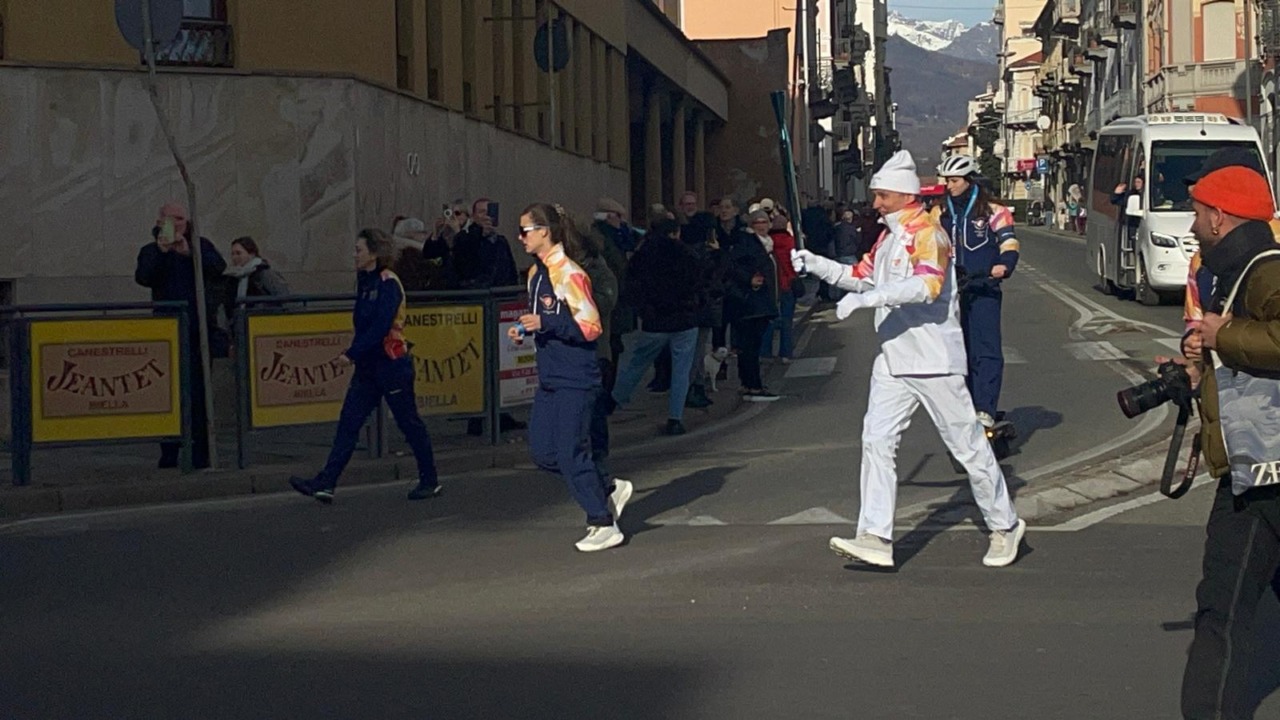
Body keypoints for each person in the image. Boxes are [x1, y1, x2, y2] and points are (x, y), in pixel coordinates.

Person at [791, 149, 1024, 569]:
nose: (875, 203)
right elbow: (858, 277)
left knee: (968, 448)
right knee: (877, 441)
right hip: (893, 358)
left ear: (902, 195)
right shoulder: (887, 237)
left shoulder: (929, 233)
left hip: (933, 358)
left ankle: (1004, 525)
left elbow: (927, 287)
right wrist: (817, 266)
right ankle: (876, 536)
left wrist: (875, 299)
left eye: (881, 195)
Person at [1175, 165, 1280, 720]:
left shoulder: (1265, 270)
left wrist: (1222, 336)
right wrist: (1198, 368)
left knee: (1224, 614)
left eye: (1197, 213)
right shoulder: (1239, 273)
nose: (1192, 225)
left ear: (1219, 216)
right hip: (1254, 469)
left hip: (1265, 470)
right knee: (1224, 611)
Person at [511, 203, 632, 552]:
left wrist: (546, 324)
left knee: (570, 452)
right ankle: (606, 487)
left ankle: (602, 522)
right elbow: (543, 318)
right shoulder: (536, 275)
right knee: (544, 453)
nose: (521, 238)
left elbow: (591, 326)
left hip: (576, 376)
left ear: (544, 232)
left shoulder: (570, 273)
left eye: (525, 231)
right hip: (550, 375)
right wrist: (525, 327)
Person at [289, 229, 441, 504]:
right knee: (349, 423)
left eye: (358, 249)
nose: (354, 254)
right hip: (369, 368)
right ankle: (326, 482)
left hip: (391, 364)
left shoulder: (388, 283)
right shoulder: (366, 281)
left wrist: (352, 354)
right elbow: (362, 325)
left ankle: (430, 480)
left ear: (373, 253)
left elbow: (381, 326)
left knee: (409, 424)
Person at [134, 202, 227, 469]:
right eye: (171, 219)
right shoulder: (151, 250)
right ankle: (169, 450)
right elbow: (144, 277)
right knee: (169, 394)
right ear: (159, 221)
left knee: (199, 392)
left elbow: (218, 268)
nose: (177, 224)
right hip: (167, 333)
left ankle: (201, 451)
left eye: (181, 220)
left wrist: (190, 254)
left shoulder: (200, 245)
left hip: (198, 331)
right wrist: (163, 252)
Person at [936, 153, 1020, 429]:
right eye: (946, 180)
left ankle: (985, 407)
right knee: (957, 352)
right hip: (951, 291)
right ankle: (965, 405)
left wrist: (1003, 265)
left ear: (970, 181)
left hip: (983, 286)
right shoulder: (939, 212)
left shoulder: (993, 210)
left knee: (986, 349)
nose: (949, 185)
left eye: (955, 180)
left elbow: (1008, 241)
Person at [610, 218, 704, 435]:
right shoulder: (685, 253)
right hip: (684, 319)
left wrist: (644, 309)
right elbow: (698, 281)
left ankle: (613, 401)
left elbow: (631, 285)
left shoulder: (643, 255)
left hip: (655, 321)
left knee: (637, 363)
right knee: (681, 369)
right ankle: (675, 418)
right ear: (676, 232)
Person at [725, 210, 781, 401]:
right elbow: (732, 266)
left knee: (751, 346)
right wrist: (749, 279)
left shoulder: (767, 244)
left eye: (765, 221)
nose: (762, 225)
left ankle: (749, 383)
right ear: (751, 225)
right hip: (751, 304)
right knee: (750, 347)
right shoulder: (748, 242)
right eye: (757, 222)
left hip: (762, 303)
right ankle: (753, 385)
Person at [762, 208, 799, 363]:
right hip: (788, 285)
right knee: (787, 321)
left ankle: (765, 352)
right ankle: (785, 353)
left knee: (769, 321)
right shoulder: (791, 242)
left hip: (772, 287)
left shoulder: (768, 243)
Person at [224, 236, 289, 314]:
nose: (234, 257)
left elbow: (283, 297)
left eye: (238, 253)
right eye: (233, 254)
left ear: (251, 254)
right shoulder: (234, 277)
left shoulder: (264, 273)